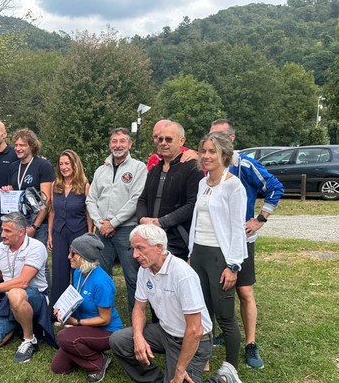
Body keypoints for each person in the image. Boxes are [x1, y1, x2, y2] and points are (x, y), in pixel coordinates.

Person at [109, 224, 249, 383]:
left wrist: (180, 369)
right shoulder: (145, 270)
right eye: (133, 249)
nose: (134, 255)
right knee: (119, 340)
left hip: (194, 341)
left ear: (159, 247)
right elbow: (139, 308)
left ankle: (224, 381)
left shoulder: (182, 274)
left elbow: (195, 330)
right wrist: (139, 337)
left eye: (140, 248)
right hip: (166, 332)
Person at [210, 119, 284, 369]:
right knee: (219, 290)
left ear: (232, 139)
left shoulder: (245, 164)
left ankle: (251, 343)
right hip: (215, 241)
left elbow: (275, 187)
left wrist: (260, 219)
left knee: (244, 291)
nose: (215, 142)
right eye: (211, 137)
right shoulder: (207, 166)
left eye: (220, 137)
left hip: (241, 240)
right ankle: (224, 332)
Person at [188, 131, 248, 369]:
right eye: (203, 151)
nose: (206, 156)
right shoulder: (203, 182)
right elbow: (196, 220)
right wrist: (192, 254)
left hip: (219, 257)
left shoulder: (233, 186)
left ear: (224, 154)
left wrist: (233, 265)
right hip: (200, 254)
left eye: (212, 151)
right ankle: (203, 359)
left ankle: (231, 368)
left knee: (225, 316)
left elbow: (236, 229)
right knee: (203, 312)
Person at [0, 212, 55, 364]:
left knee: (15, 293)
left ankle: (30, 340)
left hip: (36, 297)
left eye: (7, 231)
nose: (2, 234)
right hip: (10, 299)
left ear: (21, 232)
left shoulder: (36, 247)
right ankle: (18, 323)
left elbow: (23, 282)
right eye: (2, 229)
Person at [85, 127, 147, 313]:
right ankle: (102, 319)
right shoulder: (100, 170)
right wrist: (99, 223)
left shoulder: (138, 168)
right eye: (114, 141)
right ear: (109, 144)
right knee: (102, 277)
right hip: (102, 231)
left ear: (130, 144)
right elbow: (91, 199)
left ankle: (136, 322)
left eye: (122, 141)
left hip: (127, 230)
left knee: (132, 278)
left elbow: (136, 199)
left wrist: (114, 223)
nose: (118, 145)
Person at [51, 233, 123, 383]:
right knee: (59, 367)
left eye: (73, 253)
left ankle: (98, 362)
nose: (68, 256)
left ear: (85, 257)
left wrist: (75, 323)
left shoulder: (102, 282)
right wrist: (63, 311)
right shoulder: (78, 272)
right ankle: (84, 347)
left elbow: (105, 319)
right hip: (86, 326)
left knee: (64, 336)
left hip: (107, 330)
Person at [136, 120, 200, 261]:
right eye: (160, 139)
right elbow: (143, 199)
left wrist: (162, 222)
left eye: (169, 139)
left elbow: (192, 205)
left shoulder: (192, 168)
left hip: (178, 240)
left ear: (181, 141)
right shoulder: (154, 170)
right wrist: (142, 219)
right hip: (152, 238)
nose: (163, 143)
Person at [48, 149, 92, 306]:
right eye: (61, 164)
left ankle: (78, 307)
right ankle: (58, 308)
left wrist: (89, 235)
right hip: (59, 232)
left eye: (67, 163)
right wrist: (50, 234)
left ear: (75, 165)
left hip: (78, 233)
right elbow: (52, 211)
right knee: (59, 271)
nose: (64, 167)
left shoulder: (85, 186)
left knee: (78, 271)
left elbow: (89, 213)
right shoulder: (55, 185)